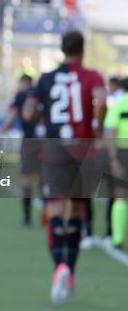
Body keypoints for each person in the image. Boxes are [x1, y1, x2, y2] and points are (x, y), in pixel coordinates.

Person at [23, 30, 106, 305]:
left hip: (54, 151)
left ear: (61, 49)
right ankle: (70, 270)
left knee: (55, 210)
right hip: (83, 150)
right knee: (78, 212)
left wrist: (38, 116)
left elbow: (28, 112)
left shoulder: (46, 79)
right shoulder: (92, 76)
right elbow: (101, 101)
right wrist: (98, 126)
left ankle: (59, 266)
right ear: (82, 50)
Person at [0, 74, 39, 226]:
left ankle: (27, 217)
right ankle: (50, 215)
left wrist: (2, 131)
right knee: (46, 179)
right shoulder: (41, 94)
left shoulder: (22, 96)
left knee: (26, 179)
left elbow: (12, 117)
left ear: (23, 83)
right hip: (48, 141)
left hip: (30, 142)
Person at [104, 77, 128, 250]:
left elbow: (110, 132)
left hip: (122, 153)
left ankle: (118, 238)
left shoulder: (119, 105)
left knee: (120, 197)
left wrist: (112, 159)